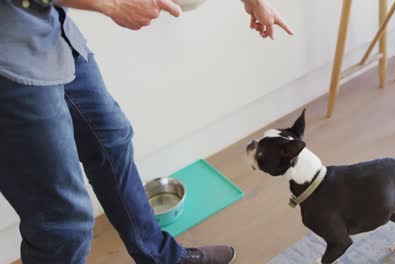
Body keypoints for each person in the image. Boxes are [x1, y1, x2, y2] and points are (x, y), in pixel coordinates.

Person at [0, 0, 293, 263]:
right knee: (63, 221)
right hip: (9, 61)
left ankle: (162, 259)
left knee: (111, 140)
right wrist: (112, 5)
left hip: (52, 29)